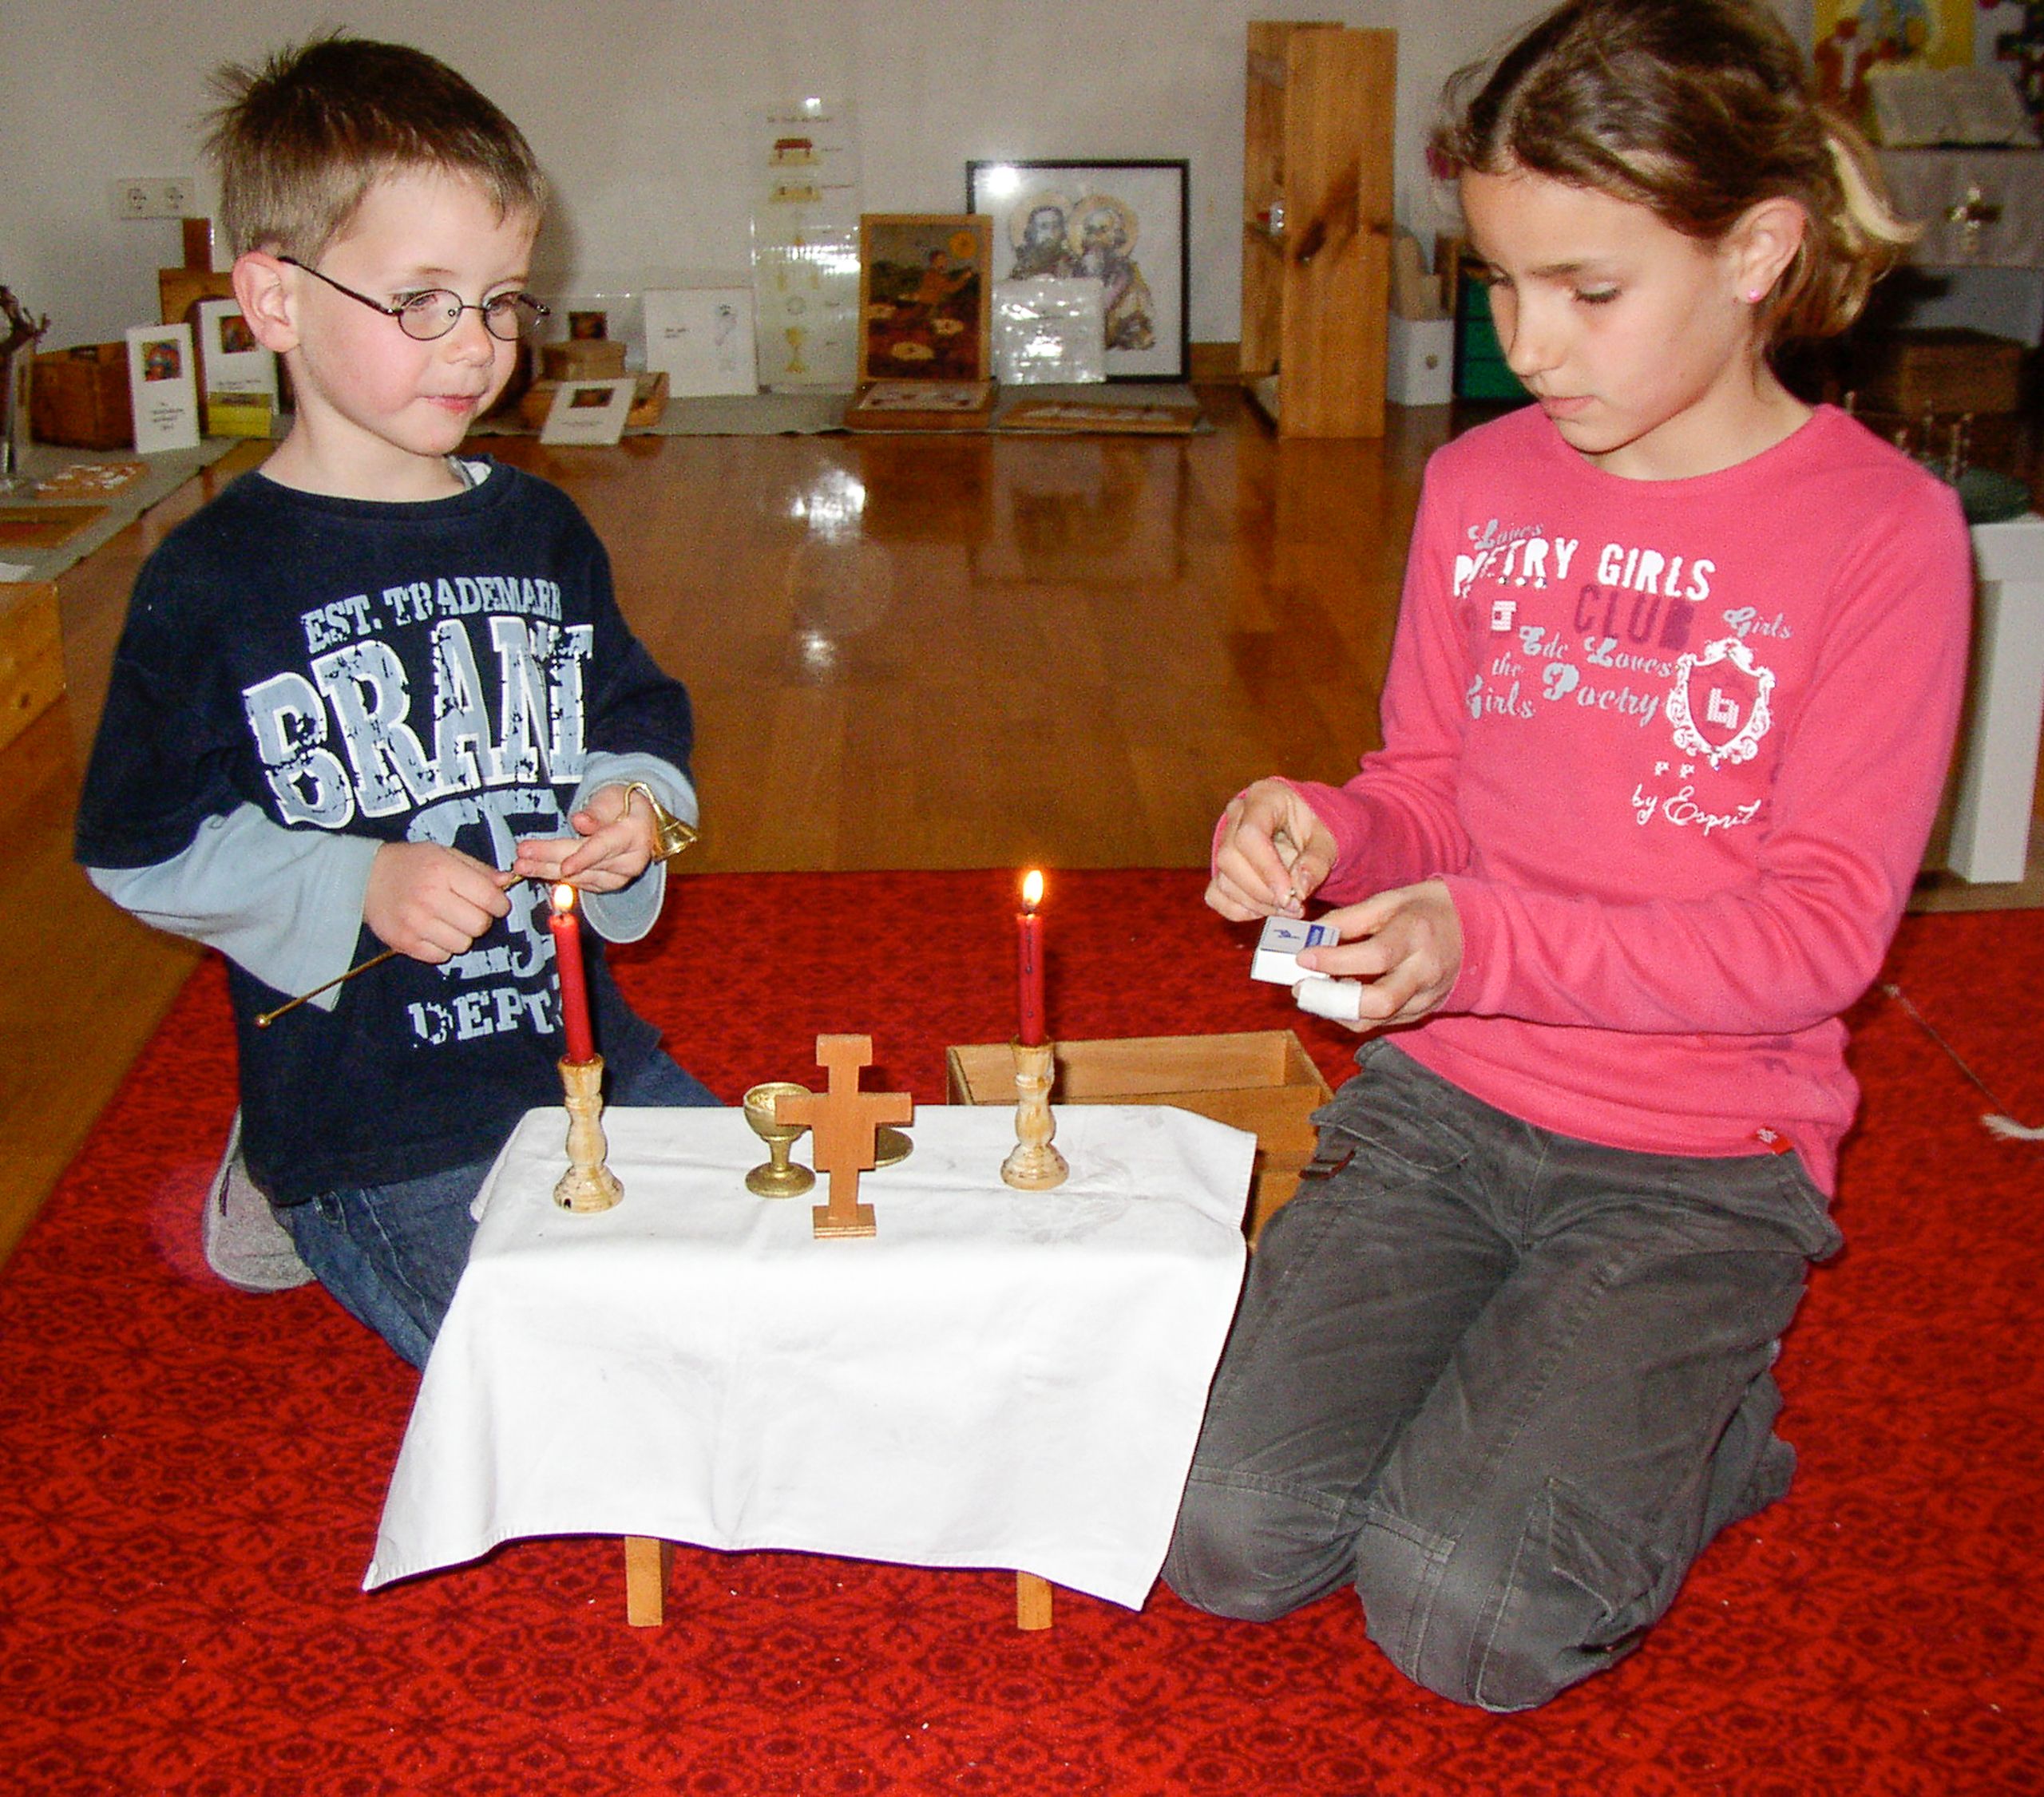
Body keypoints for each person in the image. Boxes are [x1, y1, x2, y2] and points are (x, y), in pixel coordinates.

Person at [1162, 0, 1973, 1712]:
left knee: (1469, 1617)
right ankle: (1555, 1393)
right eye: (1498, 283)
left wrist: (1485, 944)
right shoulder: (1479, 486)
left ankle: (1699, 1423)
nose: (1529, 343)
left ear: (1757, 249)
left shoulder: (1882, 536)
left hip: (1691, 1165)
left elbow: (1818, 934)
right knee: (1224, 1537)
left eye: (1586, 292)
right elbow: (1430, 783)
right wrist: (1333, 828)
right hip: (1439, 1114)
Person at [73, 36, 716, 1369]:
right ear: (276, 298)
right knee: (574, 1381)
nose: (477, 347)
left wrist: (632, 810)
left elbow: (637, 709)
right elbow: (138, 843)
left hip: (581, 1049)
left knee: (775, 1247)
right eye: (421, 299)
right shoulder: (212, 578)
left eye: (502, 300)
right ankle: (282, 1187)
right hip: (373, 1120)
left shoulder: (541, 530)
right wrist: (355, 882)